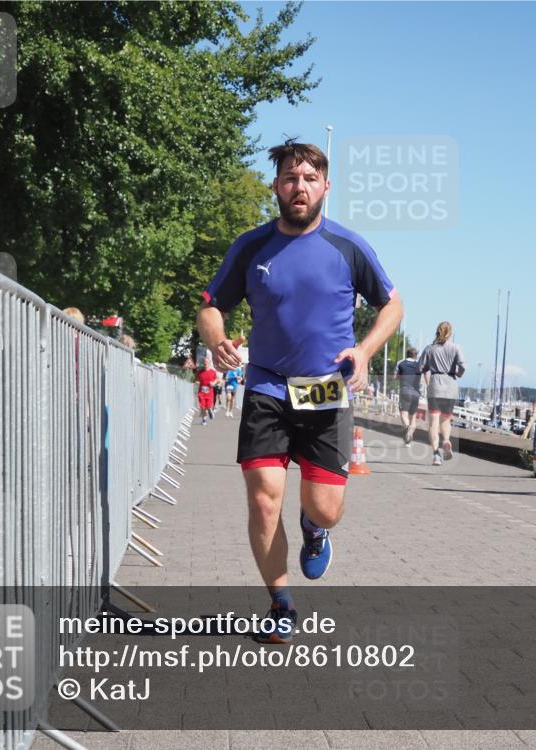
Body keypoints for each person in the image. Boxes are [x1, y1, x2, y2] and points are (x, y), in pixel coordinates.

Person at [197, 139, 402, 643]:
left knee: (326, 506)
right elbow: (209, 306)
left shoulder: (348, 247)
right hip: (266, 385)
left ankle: (315, 529)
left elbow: (392, 305)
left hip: (325, 391)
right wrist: (218, 339)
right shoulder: (251, 246)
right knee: (265, 502)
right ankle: (281, 603)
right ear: (276, 186)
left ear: (326, 187)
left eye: (310, 179)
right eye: (290, 178)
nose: (300, 187)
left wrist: (366, 350)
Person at [419, 322, 465, 466]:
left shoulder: (430, 348)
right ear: (450, 333)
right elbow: (463, 365)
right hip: (450, 385)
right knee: (445, 420)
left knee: (433, 422)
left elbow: (420, 367)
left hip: (435, 384)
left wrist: (427, 370)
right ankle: (446, 440)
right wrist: (457, 373)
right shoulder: (455, 348)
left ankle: (436, 455)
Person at [394, 347, 423, 444]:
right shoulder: (419, 365)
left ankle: (407, 429)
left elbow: (395, 377)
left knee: (403, 414)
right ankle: (409, 436)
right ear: (415, 355)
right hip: (416, 393)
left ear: (407, 354)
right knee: (413, 417)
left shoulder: (400, 363)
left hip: (405, 391)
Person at [196, 358, 218, 425]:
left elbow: (217, 379)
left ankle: (210, 411)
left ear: (209, 363)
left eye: (207, 362)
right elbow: (197, 380)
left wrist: (213, 383)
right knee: (202, 407)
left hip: (209, 393)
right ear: (203, 363)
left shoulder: (213, 372)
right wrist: (197, 382)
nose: (206, 364)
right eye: (204, 362)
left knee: (208, 406)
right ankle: (204, 419)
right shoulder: (200, 372)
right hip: (201, 393)